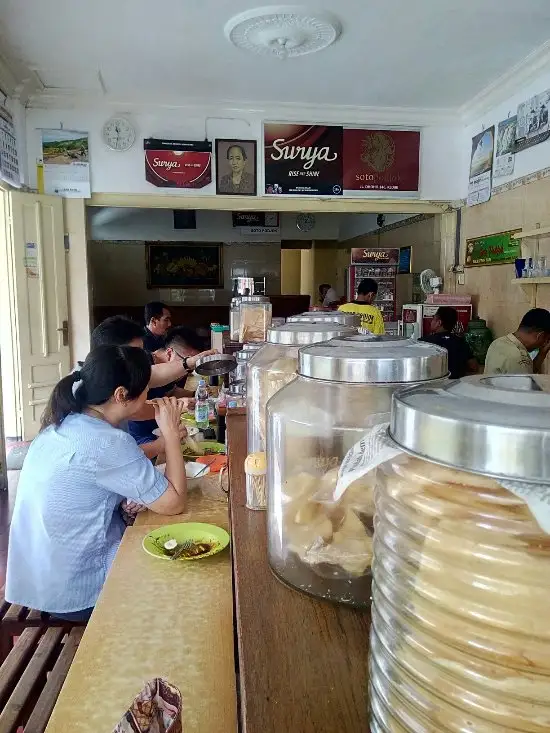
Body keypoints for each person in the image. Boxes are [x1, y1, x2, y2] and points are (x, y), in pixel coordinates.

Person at [5, 345, 188, 622]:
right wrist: (171, 435)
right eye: (146, 389)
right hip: (78, 592)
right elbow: (174, 503)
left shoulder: (64, 423)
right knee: (182, 570)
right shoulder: (108, 441)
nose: (149, 395)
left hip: (38, 579)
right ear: (121, 395)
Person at [88, 316, 214, 460]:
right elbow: (121, 456)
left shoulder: (102, 373)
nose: (146, 388)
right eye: (135, 356)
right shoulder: (95, 431)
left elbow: (154, 374)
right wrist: (164, 442)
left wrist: (190, 362)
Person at [128, 326, 203, 450]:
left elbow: (171, 391)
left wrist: (196, 394)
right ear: (169, 353)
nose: (188, 371)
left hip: (163, 430)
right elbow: (135, 411)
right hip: (144, 438)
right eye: (188, 365)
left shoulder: (167, 370)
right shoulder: (141, 367)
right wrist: (177, 406)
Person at [484, 308, 550, 375]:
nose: (544, 343)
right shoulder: (518, 357)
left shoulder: (497, 342)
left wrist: (542, 353)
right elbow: (526, 382)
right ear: (540, 336)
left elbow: (527, 370)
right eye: (546, 340)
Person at [420, 307, 477, 379]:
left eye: (433, 319)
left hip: (433, 384)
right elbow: (474, 367)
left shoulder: (423, 342)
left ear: (439, 323)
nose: (431, 322)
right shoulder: (461, 342)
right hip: (456, 386)